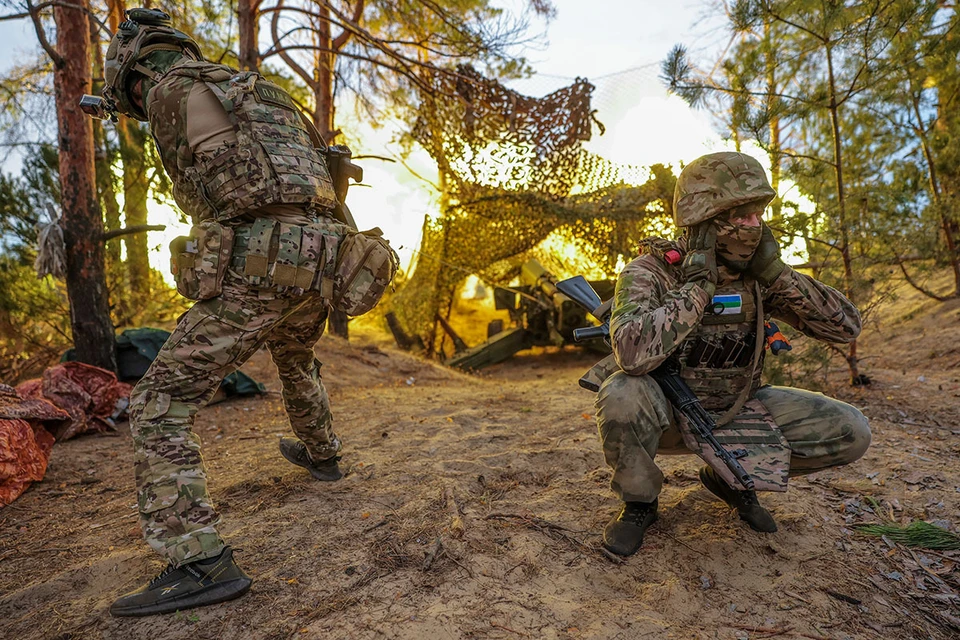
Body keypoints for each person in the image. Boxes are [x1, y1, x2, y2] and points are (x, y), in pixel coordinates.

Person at [96, 9, 361, 615]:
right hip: (326, 256)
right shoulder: (258, 89)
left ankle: (198, 562)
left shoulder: (168, 91)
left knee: (159, 402)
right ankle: (324, 456)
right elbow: (322, 171)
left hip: (266, 259)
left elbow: (197, 196)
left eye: (127, 95)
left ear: (135, 74)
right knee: (295, 354)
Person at [594, 151, 871, 557]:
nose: (754, 226)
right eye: (741, 216)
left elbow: (845, 327)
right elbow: (632, 356)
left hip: (739, 406)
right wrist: (697, 287)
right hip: (667, 414)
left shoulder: (758, 275)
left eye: (758, 214)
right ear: (702, 220)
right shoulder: (651, 270)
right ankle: (639, 502)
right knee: (621, 393)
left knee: (852, 431)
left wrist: (778, 273)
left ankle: (726, 478)